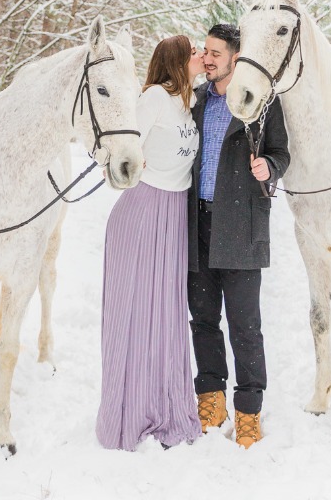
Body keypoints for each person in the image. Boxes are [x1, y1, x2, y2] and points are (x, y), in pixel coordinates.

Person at [96, 35, 204, 451]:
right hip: (142, 211)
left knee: (166, 313)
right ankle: (128, 410)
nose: (199, 56)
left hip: (175, 214)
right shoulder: (155, 97)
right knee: (136, 311)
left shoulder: (189, 102)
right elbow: (121, 147)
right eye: (193, 51)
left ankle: (165, 403)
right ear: (177, 59)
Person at [187, 22, 289, 449]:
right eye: (204, 51)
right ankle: (210, 399)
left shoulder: (262, 102)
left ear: (235, 56)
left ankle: (248, 411)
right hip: (195, 225)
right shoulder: (190, 101)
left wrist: (270, 167)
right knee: (204, 320)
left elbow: (282, 152)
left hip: (241, 226)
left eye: (215, 52)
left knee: (246, 327)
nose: (208, 58)